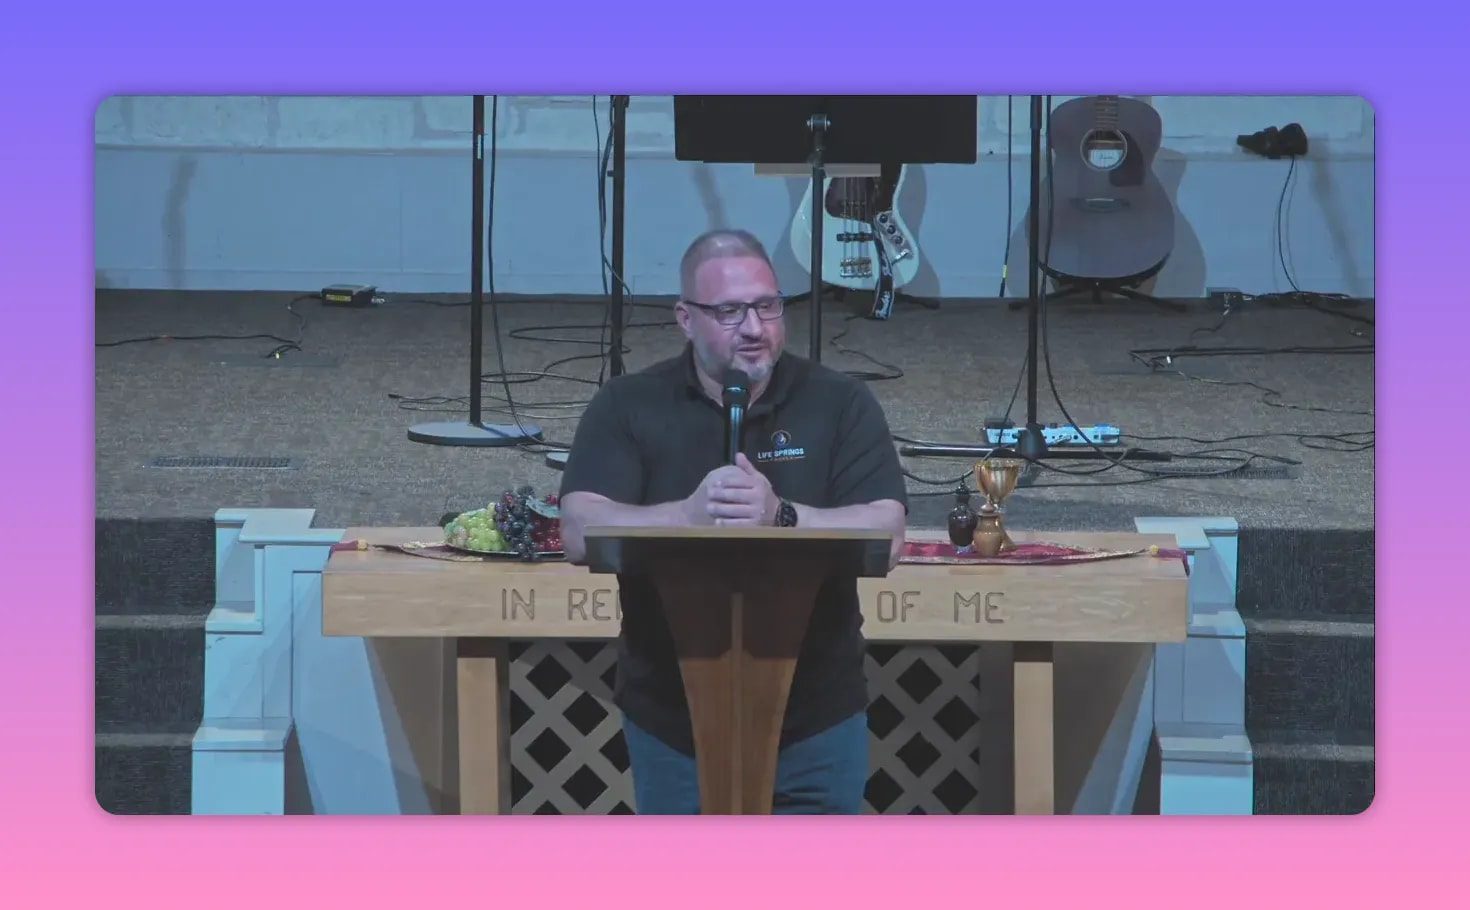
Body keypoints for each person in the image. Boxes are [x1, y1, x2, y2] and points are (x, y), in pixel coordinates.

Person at [557, 228, 908, 814]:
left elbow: (887, 529)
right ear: (685, 319)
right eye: (728, 311)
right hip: (674, 714)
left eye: (767, 306)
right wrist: (686, 515)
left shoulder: (839, 402)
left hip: (817, 709)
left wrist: (782, 514)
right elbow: (577, 528)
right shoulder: (628, 404)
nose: (754, 328)